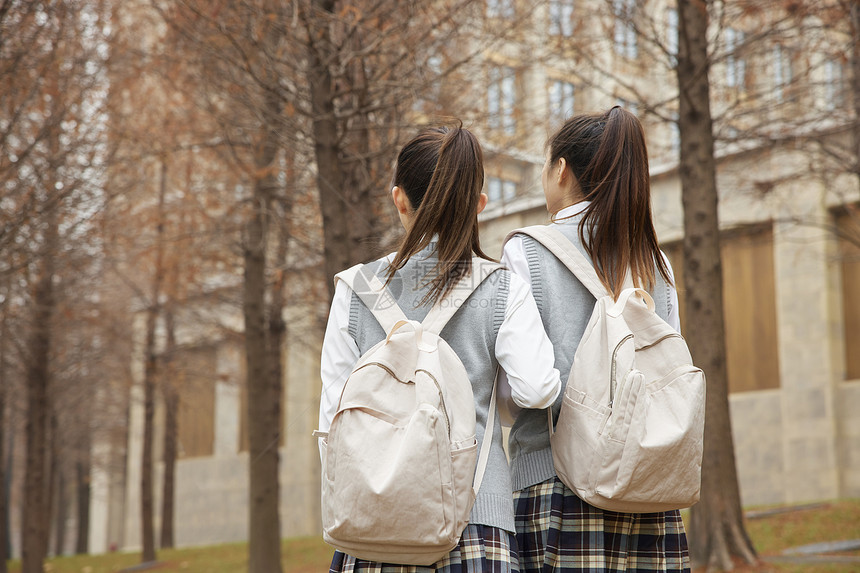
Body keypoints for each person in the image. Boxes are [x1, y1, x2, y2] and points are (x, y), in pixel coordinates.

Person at [318, 124, 562, 573]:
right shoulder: (503, 289)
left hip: (374, 532)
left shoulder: (353, 291)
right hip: (475, 526)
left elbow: (333, 422)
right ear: (479, 207)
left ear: (399, 200)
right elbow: (538, 390)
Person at [502, 107, 691, 572]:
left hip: (556, 488)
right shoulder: (657, 265)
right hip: (649, 493)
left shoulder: (526, 251)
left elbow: (516, 395)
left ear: (561, 169)